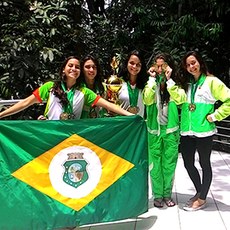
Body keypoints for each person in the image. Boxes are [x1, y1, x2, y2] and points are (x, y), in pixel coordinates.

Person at [166, 50, 230, 211]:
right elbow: (180, 99)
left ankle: (202, 199)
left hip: (204, 131)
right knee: (188, 163)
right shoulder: (188, 84)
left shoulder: (212, 82)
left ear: (200, 62)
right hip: (188, 131)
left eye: (193, 63)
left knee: (204, 163)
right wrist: (168, 80)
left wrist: (215, 116)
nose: (191, 67)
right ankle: (200, 191)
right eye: (188, 65)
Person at [0, 56, 133, 120]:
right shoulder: (50, 87)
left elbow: (109, 106)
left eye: (77, 67)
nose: (74, 69)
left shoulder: (84, 92)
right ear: (63, 69)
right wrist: (1, 115)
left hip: (73, 138)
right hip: (51, 136)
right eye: (70, 66)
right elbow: (25, 103)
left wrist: (131, 115)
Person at [142, 53, 180, 208]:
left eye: (163, 65)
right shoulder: (150, 84)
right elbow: (147, 99)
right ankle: (157, 195)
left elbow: (180, 99)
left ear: (168, 66)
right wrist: (151, 79)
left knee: (169, 164)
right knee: (155, 164)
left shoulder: (175, 83)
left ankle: (167, 194)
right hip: (154, 130)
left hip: (171, 130)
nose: (159, 69)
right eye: (156, 66)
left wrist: (170, 80)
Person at [117, 50, 148, 117]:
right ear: (126, 63)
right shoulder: (118, 84)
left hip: (138, 125)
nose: (134, 66)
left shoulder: (145, 85)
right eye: (132, 63)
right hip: (123, 125)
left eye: (138, 64)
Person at [80, 54, 106, 118]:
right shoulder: (78, 88)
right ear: (82, 69)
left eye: (94, 67)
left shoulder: (103, 87)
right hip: (83, 125)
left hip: (99, 125)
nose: (91, 70)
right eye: (87, 67)